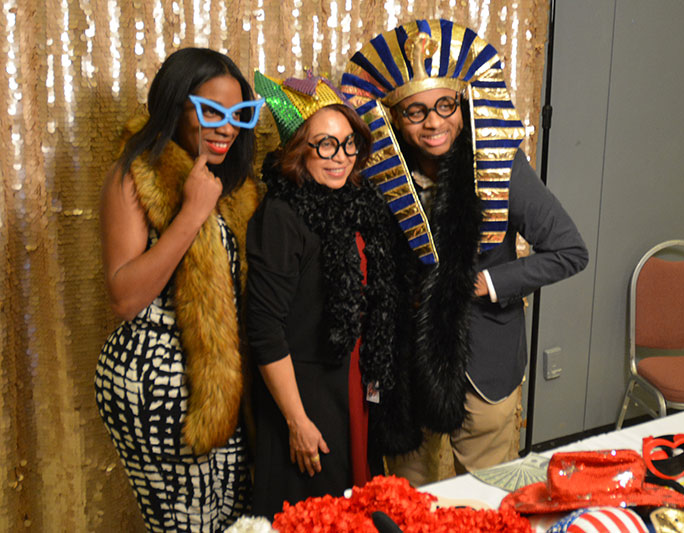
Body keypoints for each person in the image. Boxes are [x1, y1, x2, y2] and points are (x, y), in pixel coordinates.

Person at [341, 19, 590, 485]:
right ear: (395, 117)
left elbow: (570, 250)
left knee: (490, 492)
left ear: (464, 103)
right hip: (406, 363)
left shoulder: (499, 166)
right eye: (416, 112)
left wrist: (484, 283)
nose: (434, 122)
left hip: (483, 361)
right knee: (409, 496)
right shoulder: (374, 178)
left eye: (444, 106)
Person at [94, 47, 262, 531]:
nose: (227, 127)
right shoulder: (136, 175)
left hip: (216, 382)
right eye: (211, 111)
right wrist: (190, 215)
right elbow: (125, 297)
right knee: (186, 526)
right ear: (175, 105)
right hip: (154, 381)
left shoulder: (226, 184)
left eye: (239, 115)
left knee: (229, 521)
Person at [245, 73, 417, 518]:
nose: (339, 158)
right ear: (297, 149)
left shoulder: (358, 203)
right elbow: (265, 330)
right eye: (324, 144)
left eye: (347, 144)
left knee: (356, 512)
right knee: (313, 516)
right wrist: (297, 422)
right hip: (307, 395)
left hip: (354, 390)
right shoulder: (280, 216)